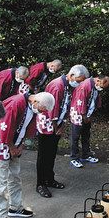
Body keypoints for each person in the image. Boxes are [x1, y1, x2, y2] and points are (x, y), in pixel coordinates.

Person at [0, 92, 55, 218]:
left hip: (16, 144)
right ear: (35, 102)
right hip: (2, 144)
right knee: (1, 182)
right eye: (42, 110)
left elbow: (28, 128)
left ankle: (15, 207)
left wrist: (21, 145)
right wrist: (11, 147)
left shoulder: (32, 107)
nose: (41, 113)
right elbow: (5, 127)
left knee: (15, 177)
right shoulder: (16, 104)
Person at [35, 65, 89, 197]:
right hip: (48, 124)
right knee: (44, 155)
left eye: (82, 81)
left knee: (52, 153)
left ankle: (49, 178)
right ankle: (40, 184)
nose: (80, 83)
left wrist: (62, 124)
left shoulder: (69, 86)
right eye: (79, 80)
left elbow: (66, 106)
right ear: (71, 76)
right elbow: (51, 109)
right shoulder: (57, 86)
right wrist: (57, 127)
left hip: (57, 123)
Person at [69, 75, 109, 168]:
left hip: (87, 114)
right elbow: (81, 101)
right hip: (78, 113)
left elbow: (95, 99)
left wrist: (91, 114)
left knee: (86, 135)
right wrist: (84, 116)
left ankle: (86, 155)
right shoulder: (85, 85)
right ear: (98, 80)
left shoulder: (95, 86)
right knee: (75, 137)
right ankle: (74, 158)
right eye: (101, 86)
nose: (101, 89)